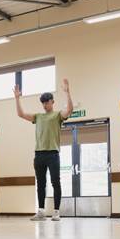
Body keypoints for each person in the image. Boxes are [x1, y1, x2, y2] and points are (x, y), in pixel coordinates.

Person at [14, 79, 73, 222]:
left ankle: (56, 212)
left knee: (55, 182)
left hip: (53, 154)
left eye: (47, 102)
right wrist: (17, 98)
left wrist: (67, 92)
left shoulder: (58, 115)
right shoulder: (38, 117)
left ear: (52, 102)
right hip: (39, 154)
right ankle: (40, 211)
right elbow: (21, 114)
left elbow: (70, 110)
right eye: (43, 102)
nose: (45, 104)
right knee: (40, 183)